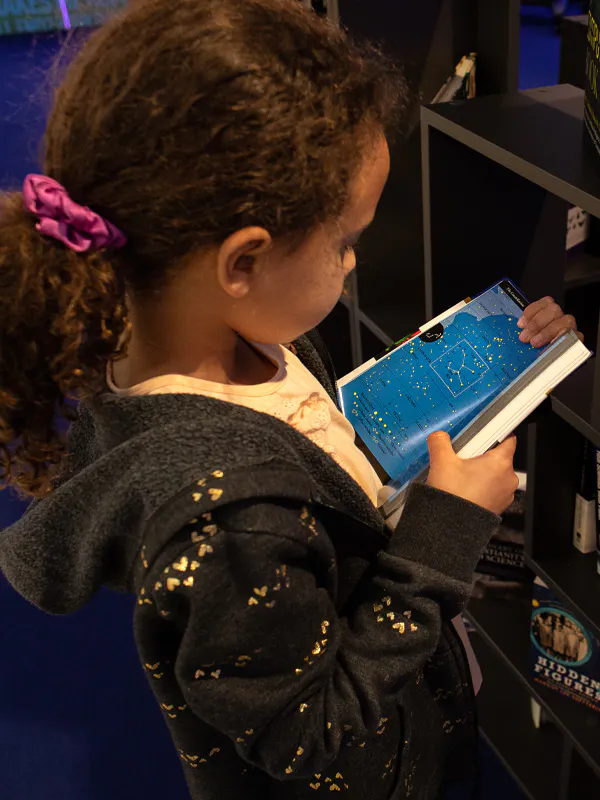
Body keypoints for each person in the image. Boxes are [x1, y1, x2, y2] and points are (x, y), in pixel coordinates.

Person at [0, 1, 581, 798]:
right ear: (243, 262)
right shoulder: (231, 526)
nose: (353, 263)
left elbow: (310, 443)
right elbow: (323, 745)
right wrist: (442, 538)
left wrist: (487, 372)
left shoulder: (206, 335)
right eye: (345, 242)